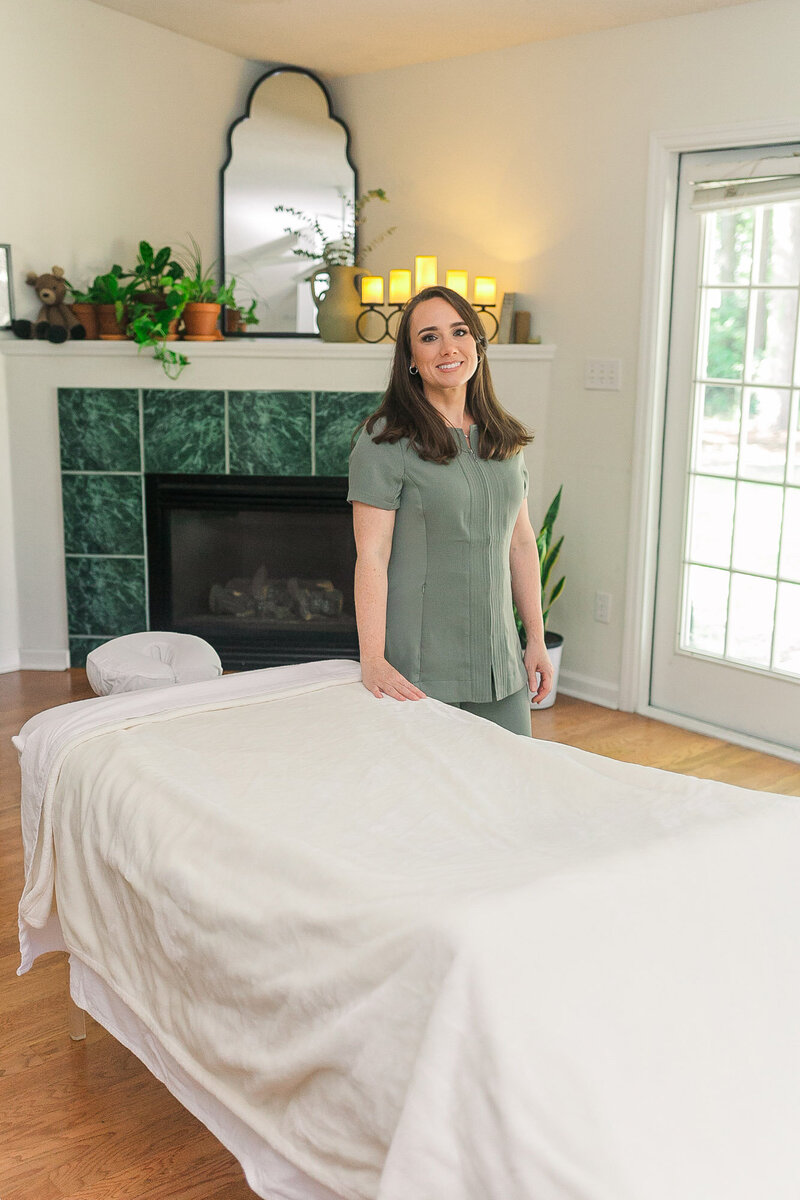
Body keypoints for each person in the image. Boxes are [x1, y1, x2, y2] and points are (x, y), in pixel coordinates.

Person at [347, 285, 553, 736]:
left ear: (478, 344)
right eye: (429, 337)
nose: (448, 348)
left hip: (498, 659)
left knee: (507, 787)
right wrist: (373, 661)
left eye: (459, 331)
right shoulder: (384, 440)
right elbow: (372, 557)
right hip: (419, 665)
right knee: (427, 798)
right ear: (410, 360)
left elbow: (520, 544)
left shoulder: (503, 438)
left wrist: (534, 639)